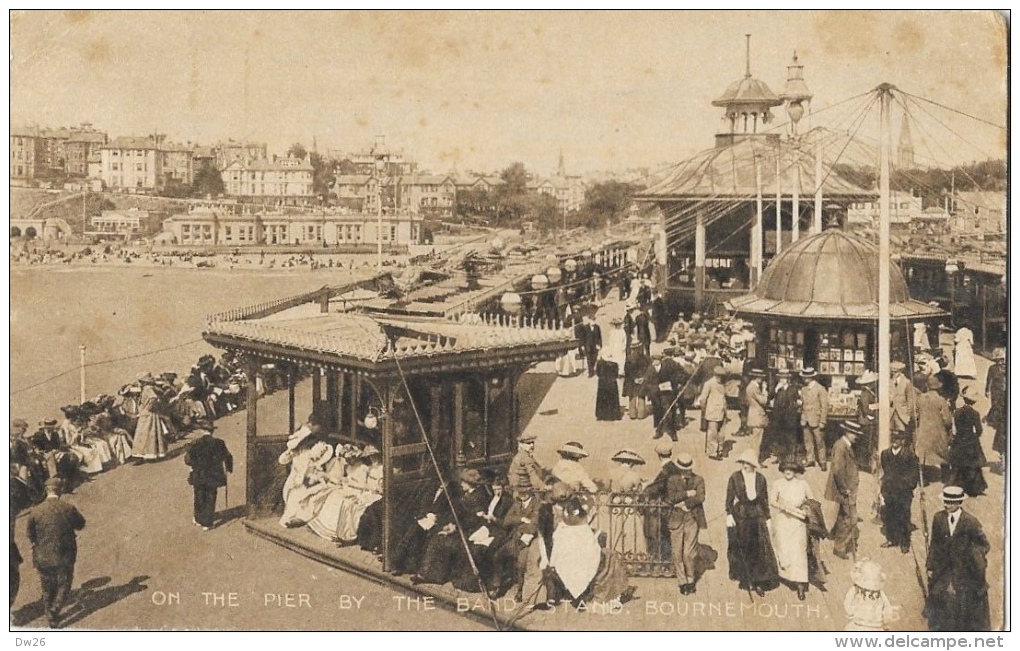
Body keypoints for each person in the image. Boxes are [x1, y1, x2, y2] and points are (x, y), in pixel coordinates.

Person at [924, 486, 991, 631]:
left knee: (961, 603)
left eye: (950, 502)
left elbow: (984, 545)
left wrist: (971, 557)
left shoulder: (971, 522)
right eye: (945, 501)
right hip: (943, 568)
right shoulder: (938, 518)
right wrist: (930, 565)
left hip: (963, 571)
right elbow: (934, 543)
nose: (947, 505)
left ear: (958, 502)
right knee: (941, 597)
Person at [26, 478, 86, 628]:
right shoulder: (67, 507)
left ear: (46, 490)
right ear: (60, 490)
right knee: (64, 584)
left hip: (42, 556)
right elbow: (81, 524)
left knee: (47, 586)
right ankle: (54, 609)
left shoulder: (35, 511)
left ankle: (50, 615)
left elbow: (29, 534)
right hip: (64, 555)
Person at [725, 450, 779, 596]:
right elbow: (729, 497)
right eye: (743, 462)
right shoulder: (735, 477)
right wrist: (729, 514)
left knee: (759, 547)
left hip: (757, 514)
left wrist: (767, 517)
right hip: (741, 515)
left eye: (748, 463)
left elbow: (764, 499)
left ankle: (758, 581)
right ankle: (746, 578)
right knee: (743, 546)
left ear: (753, 465)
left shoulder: (761, 478)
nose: (745, 465)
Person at [771, 458, 813, 600]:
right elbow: (772, 501)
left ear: (795, 471)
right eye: (785, 469)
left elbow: (812, 501)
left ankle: (800, 583)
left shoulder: (803, 484)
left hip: (798, 521)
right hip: (783, 521)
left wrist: (806, 509)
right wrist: (783, 507)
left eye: (791, 470)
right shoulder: (777, 484)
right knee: (784, 549)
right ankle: (784, 576)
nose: (788, 472)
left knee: (799, 552)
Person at [665, 453, 706, 595]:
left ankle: (690, 580)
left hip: (692, 517)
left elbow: (701, 497)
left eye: (688, 469)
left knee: (689, 553)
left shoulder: (699, 479)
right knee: (677, 552)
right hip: (676, 519)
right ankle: (682, 582)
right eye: (683, 469)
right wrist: (687, 493)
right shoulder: (672, 480)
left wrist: (686, 505)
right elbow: (671, 498)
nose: (686, 472)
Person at [183, 419, 233, 531]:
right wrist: (229, 468)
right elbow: (227, 456)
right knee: (211, 496)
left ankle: (198, 518)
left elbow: (188, 460)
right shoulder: (219, 443)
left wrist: (193, 465)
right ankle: (207, 523)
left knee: (199, 495)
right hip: (213, 475)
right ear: (212, 431)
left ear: (201, 430)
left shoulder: (195, 443)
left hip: (199, 474)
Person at [878, 431, 919, 553]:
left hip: (903, 493)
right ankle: (891, 539)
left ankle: (905, 542)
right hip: (889, 491)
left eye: (898, 439)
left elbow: (914, 474)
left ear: (902, 441)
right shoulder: (885, 454)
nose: (894, 441)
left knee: (904, 516)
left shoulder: (909, 455)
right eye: (893, 439)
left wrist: (907, 486)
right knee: (890, 515)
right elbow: (886, 469)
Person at [826, 421, 861, 560]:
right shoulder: (841, 447)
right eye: (854, 434)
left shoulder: (845, 445)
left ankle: (835, 535)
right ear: (847, 433)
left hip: (846, 488)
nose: (856, 437)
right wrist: (844, 488)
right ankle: (840, 546)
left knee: (842, 515)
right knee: (851, 519)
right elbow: (838, 470)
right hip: (845, 489)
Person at [949, 387, 988, 497]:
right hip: (971, 441)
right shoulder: (975, 414)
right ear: (974, 401)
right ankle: (972, 489)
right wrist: (974, 437)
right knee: (973, 466)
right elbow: (979, 430)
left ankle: (956, 486)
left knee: (958, 464)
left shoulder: (957, 412)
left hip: (959, 440)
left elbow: (954, 429)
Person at [915, 374, 953, 482]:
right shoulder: (941, 400)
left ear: (927, 387)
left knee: (923, 454)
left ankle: (923, 479)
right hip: (938, 431)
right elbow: (947, 420)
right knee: (942, 453)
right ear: (939, 388)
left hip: (924, 431)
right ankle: (945, 477)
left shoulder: (920, 398)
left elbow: (915, 415)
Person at [844, 560, 895, 631]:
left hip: (858, 625)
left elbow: (848, 604)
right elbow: (887, 608)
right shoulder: (880, 593)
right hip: (876, 627)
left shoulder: (855, 590)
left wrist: (852, 613)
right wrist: (885, 622)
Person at [763, 369, 800, 465]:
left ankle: (791, 459)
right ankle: (780, 458)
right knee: (780, 439)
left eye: (784, 378)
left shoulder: (793, 388)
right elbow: (769, 398)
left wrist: (784, 389)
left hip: (789, 418)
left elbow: (792, 399)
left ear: (788, 379)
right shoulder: (777, 388)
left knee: (791, 438)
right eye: (781, 378)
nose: (782, 380)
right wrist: (775, 390)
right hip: (779, 417)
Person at [131, 373, 169, 463]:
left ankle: (144, 455)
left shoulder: (147, 388)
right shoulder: (147, 388)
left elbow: (153, 398)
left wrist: (148, 408)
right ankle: (150, 454)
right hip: (149, 413)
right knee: (150, 434)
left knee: (143, 434)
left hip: (147, 414)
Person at [799, 368, 829, 470]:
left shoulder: (820, 389)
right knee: (807, 441)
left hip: (816, 419)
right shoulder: (803, 389)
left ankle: (823, 461)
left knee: (819, 441)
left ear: (811, 377)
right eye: (804, 377)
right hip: (805, 418)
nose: (804, 379)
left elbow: (824, 406)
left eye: (806, 377)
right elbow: (803, 404)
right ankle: (810, 459)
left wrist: (822, 421)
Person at [698, 366, 728, 459]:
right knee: (712, 433)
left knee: (721, 433)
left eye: (722, 376)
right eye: (719, 376)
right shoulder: (709, 384)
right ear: (715, 375)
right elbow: (703, 398)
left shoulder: (723, 384)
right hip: (712, 411)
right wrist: (704, 409)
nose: (721, 378)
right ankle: (712, 452)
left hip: (722, 411)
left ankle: (720, 450)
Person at [984, 348, 1006, 468]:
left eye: (1002, 360)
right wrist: (987, 390)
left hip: (1005, 392)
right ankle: (996, 417)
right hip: (996, 390)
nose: (1000, 362)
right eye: (998, 360)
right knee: (996, 405)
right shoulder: (992, 368)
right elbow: (989, 380)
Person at [745, 369, 769, 463]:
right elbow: (764, 400)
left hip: (752, 414)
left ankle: (752, 460)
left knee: (753, 440)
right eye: (761, 378)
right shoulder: (754, 388)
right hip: (757, 416)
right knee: (756, 441)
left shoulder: (750, 386)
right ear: (757, 377)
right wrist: (764, 389)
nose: (762, 380)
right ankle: (755, 461)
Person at [622, 342, 650, 420]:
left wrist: (634, 378)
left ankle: (632, 414)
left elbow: (627, 370)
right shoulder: (645, 358)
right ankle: (641, 414)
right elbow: (648, 369)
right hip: (642, 380)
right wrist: (643, 377)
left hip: (631, 381)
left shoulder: (629, 358)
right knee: (641, 397)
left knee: (632, 397)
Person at [890, 361, 917, 439]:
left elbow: (910, 399)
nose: (893, 374)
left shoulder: (906, 382)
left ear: (900, 371)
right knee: (890, 434)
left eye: (895, 372)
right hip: (890, 412)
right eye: (892, 372)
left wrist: (908, 414)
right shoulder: (889, 381)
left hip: (902, 413)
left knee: (901, 434)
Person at [594, 351, 622, 421]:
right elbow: (616, 374)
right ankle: (612, 415)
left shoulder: (599, 363)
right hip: (612, 383)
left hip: (602, 383)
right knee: (612, 400)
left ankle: (601, 415)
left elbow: (597, 373)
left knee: (602, 399)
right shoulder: (615, 364)